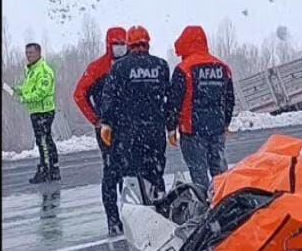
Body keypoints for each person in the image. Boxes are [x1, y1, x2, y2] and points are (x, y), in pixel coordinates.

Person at [98, 25, 171, 233]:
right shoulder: (161, 66)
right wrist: (171, 125)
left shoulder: (120, 67)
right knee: (155, 174)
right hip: (155, 131)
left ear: (129, 44)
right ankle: (159, 216)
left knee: (131, 177)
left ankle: (129, 221)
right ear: (148, 42)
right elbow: (169, 99)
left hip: (128, 132)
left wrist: (106, 122)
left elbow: (109, 98)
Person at [169, 24, 235, 197]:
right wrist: (225, 123)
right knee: (220, 173)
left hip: (192, 131)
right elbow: (229, 100)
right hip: (216, 129)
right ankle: (225, 205)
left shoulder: (184, 69)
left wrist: (171, 127)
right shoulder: (222, 67)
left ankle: (205, 209)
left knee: (199, 176)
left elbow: (174, 102)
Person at [74, 26, 129, 227]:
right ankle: (114, 219)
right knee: (112, 171)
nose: (120, 47)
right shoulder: (98, 67)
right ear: (109, 44)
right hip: (108, 128)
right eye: (117, 44)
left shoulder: (132, 65)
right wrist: (95, 119)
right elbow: (79, 94)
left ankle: (131, 214)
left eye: (123, 44)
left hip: (130, 127)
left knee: (130, 171)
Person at [13, 43, 59, 183]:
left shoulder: (43, 71)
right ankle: (51, 168)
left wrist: (24, 99)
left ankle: (47, 169)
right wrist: (19, 90)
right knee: (45, 140)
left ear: (39, 53)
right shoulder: (32, 70)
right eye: (27, 53)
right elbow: (30, 87)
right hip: (36, 110)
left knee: (43, 141)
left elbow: (41, 92)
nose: (28, 55)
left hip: (44, 111)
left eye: (31, 52)